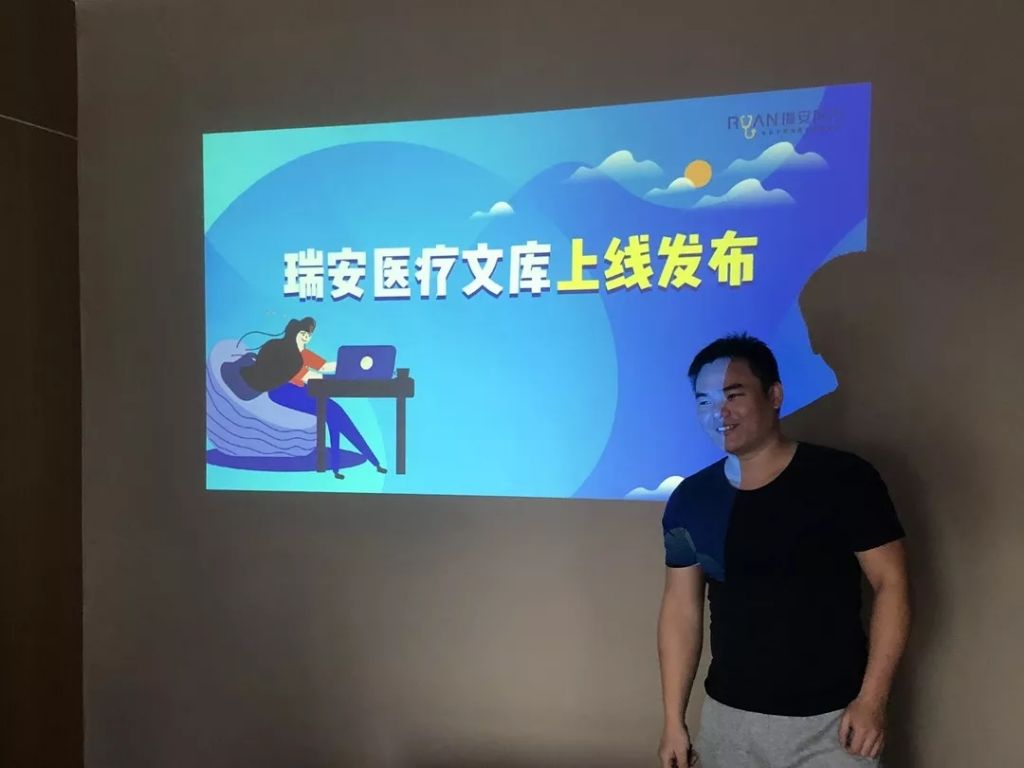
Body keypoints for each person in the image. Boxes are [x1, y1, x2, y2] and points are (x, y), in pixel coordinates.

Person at [657, 334, 909, 768]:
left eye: (734, 395)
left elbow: (892, 584)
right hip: (729, 722)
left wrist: (872, 701)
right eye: (704, 401)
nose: (719, 412)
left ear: (774, 395)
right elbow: (681, 608)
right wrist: (672, 721)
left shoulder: (845, 479)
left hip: (834, 723)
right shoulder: (691, 499)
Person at [239, 317, 387, 478]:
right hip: (282, 391)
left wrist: (353, 365)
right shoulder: (287, 354)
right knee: (333, 412)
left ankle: (364, 463)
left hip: (300, 390)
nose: (306, 337)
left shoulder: (305, 354)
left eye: (309, 335)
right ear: (295, 332)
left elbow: (324, 366)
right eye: (303, 333)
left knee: (335, 413)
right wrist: (346, 376)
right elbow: (310, 376)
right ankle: (361, 463)